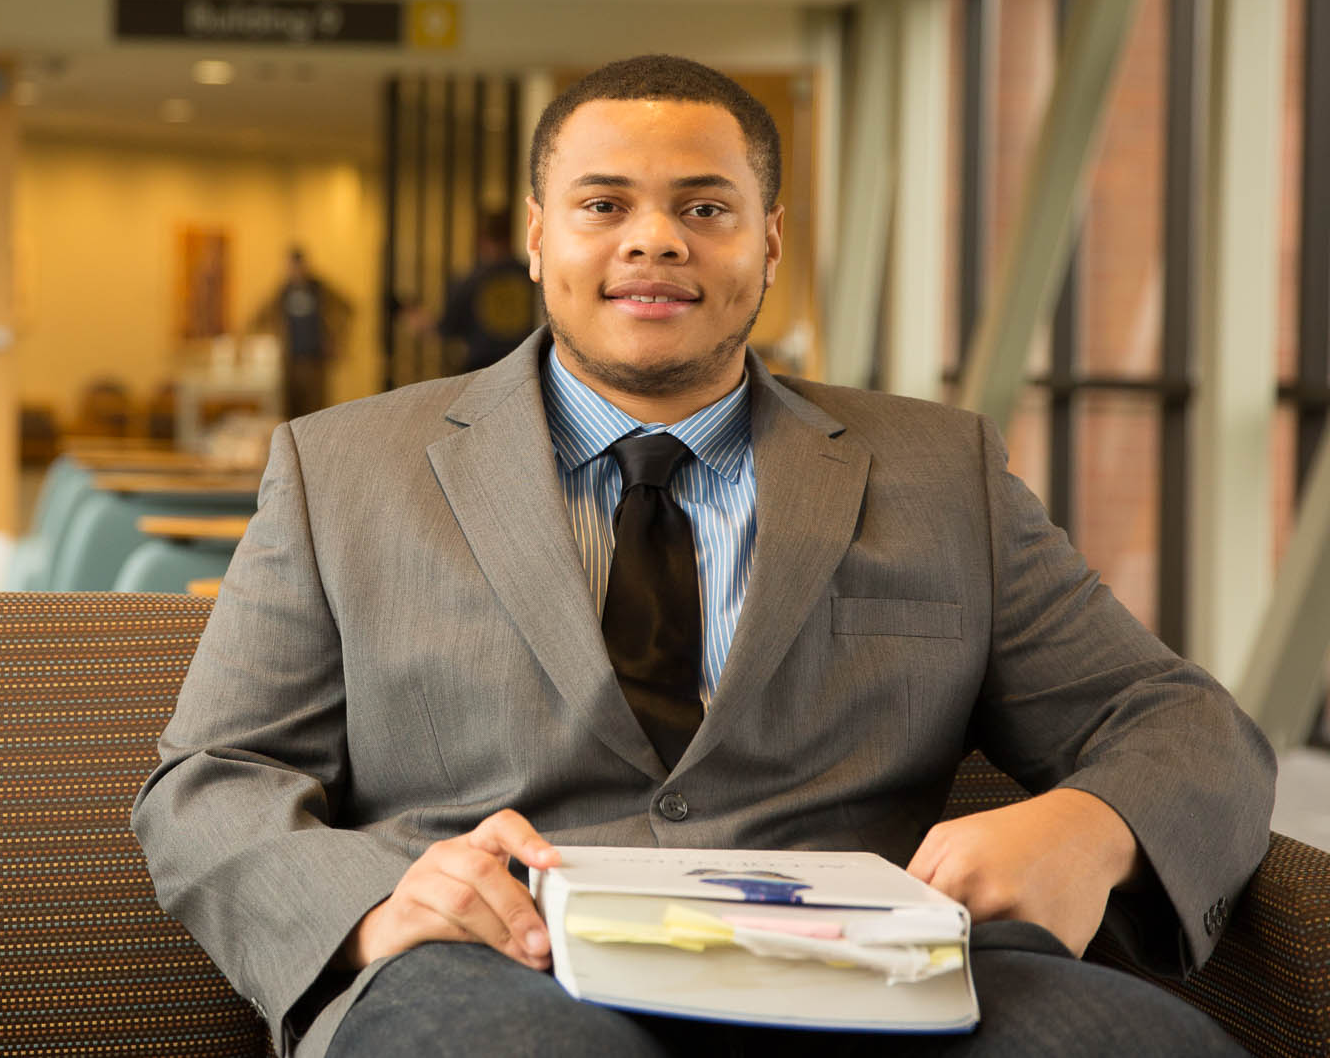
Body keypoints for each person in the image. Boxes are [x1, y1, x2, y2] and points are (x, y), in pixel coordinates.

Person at [133, 55, 1273, 1058]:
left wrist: (1091, 821)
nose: (653, 238)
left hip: (868, 979)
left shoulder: (940, 474)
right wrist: (377, 905)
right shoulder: (343, 469)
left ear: (766, 243)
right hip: (501, 966)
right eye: (602, 203)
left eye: (704, 206)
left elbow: (1180, 723)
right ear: (537, 238)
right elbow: (213, 777)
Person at [252, 247, 355, 419]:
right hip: (291, 362)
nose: (295, 271)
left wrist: (337, 339)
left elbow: (346, 308)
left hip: (315, 363)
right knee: (291, 412)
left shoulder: (320, 289)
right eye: (291, 267)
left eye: (298, 266)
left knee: (316, 412)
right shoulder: (283, 292)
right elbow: (259, 317)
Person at [434, 212, 540, 373]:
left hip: (482, 366)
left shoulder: (469, 280)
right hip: (523, 366)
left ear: (480, 240)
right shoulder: (531, 276)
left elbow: (449, 328)